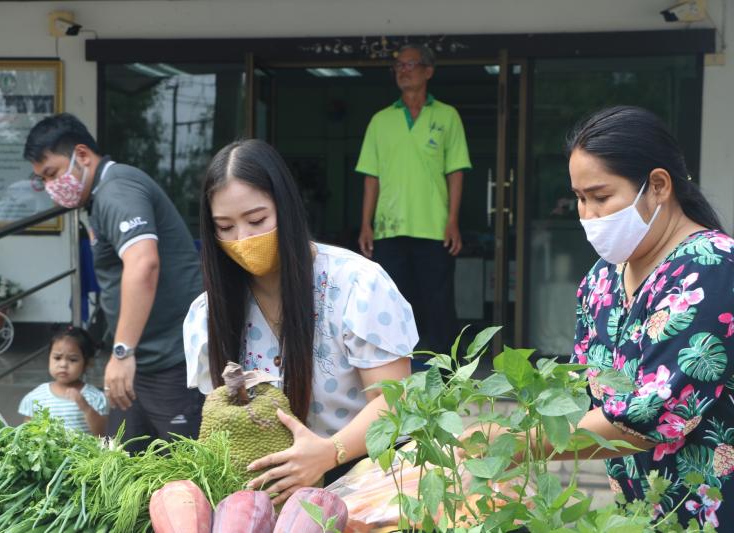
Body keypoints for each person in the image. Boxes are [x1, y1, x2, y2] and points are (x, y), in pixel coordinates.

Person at [463, 106, 734, 528]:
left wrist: (518, 444)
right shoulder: (602, 279)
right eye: (579, 198)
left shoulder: (712, 267)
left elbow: (650, 417)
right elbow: (597, 405)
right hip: (636, 514)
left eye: (601, 197)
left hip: (707, 512)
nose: (587, 214)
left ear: (658, 186)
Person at [183, 139, 418, 504]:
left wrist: (330, 452)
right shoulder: (209, 312)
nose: (242, 239)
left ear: (287, 208)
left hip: (364, 481)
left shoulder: (356, 285)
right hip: (265, 498)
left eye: (257, 220)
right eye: (224, 227)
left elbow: (396, 404)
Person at [24, 113, 204, 451]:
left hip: (169, 360)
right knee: (123, 466)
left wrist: (122, 352)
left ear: (82, 155)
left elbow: (144, 262)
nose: (51, 187)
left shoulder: (116, 190)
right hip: (144, 364)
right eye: (42, 179)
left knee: (186, 471)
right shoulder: (101, 198)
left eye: (52, 173)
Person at [356, 43, 471, 355]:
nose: (403, 71)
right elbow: (371, 177)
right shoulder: (380, 120)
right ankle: (396, 377)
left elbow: (456, 172)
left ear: (428, 71)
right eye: (398, 67)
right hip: (388, 229)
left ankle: (450, 379)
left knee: (439, 305)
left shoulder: (447, 116)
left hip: (434, 228)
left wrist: (452, 222)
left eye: (410, 65)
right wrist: (366, 224)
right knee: (390, 307)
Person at [18, 325, 107, 435]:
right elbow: (27, 432)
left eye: (73, 360)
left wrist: (86, 407)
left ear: (87, 362)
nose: (63, 364)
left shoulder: (95, 398)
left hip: (83, 452)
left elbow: (103, 434)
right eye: (57, 358)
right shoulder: (36, 397)